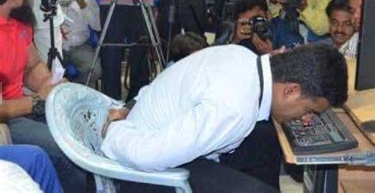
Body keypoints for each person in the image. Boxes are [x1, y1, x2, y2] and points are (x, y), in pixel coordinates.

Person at [101, 43, 348, 193]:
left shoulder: (241, 56)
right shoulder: (234, 108)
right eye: (308, 111)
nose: (305, 118)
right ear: (291, 90)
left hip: (173, 142)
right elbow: (147, 156)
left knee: (267, 138)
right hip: (147, 174)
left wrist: (130, 106)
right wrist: (116, 129)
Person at [0, 0, 86, 192]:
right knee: (68, 149)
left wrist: (52, 84)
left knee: (80, 127)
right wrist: (39, 100)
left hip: (21, 109)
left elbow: (33, 66)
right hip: (6, 121)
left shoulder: (18, 23)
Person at [55, 0, 102, 85]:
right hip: (55, 47)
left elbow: (97, 25)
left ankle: (75, 90)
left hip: (80, 46)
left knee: (94, 71)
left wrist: (83, 4)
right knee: (48, 73)